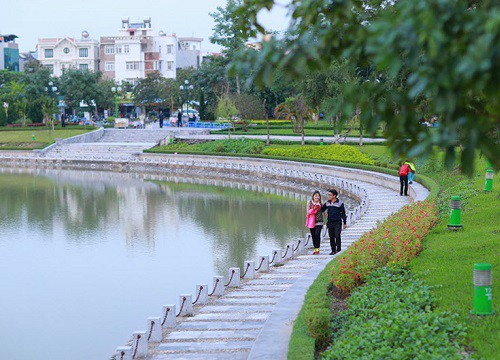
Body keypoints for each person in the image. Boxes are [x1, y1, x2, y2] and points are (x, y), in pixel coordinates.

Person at [321, 189, 347, 255]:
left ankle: (338, 249)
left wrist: (345, 222)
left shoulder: (340, 203)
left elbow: (343, 213)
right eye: (328, 195)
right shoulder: (327, 203)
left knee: (337, 235)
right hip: (330, 222)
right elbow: (322, 209)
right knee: (331, 237)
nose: (329, 196)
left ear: (334, 196)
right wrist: (325, 212)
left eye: (330, 195)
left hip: (338, 222)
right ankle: (333, 250)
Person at [306, 191, 324, 255]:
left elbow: (325, 211)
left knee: (317, 234)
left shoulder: (321, 204)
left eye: (318, 196)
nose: (317, 197)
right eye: (315, 195)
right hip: (312, 222)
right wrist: (314, 209)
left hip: (319, 221)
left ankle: (317, 249)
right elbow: (308, 213)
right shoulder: (310, 203)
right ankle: (315, 248)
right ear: (313, 197)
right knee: (313, 235)